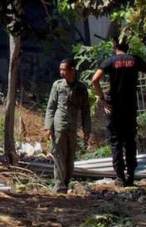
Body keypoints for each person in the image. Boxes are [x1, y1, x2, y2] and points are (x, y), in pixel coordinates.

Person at [92, 39, 146, 187]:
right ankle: (131, 176)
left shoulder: (110, 61)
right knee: (130, 141)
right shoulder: (135, 60)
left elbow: (95, 79)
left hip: (113, 108)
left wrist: (102, 99)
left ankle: (120, 178)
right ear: (127, 47)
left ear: (114, 47)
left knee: (116, 142)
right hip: (130, 107)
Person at [44, 58, 91, 193]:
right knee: (58, 155)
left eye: (64, 69)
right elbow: (51, 107)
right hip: (59, 125)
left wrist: (86, 129)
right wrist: (48, 127)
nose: (61, 72)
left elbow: (85, 110)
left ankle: (65, 183)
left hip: (72, 126)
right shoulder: (58, 85)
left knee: (70, 157)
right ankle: (59, 186)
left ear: (72, 70)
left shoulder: (81, 88)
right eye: (60, 69)